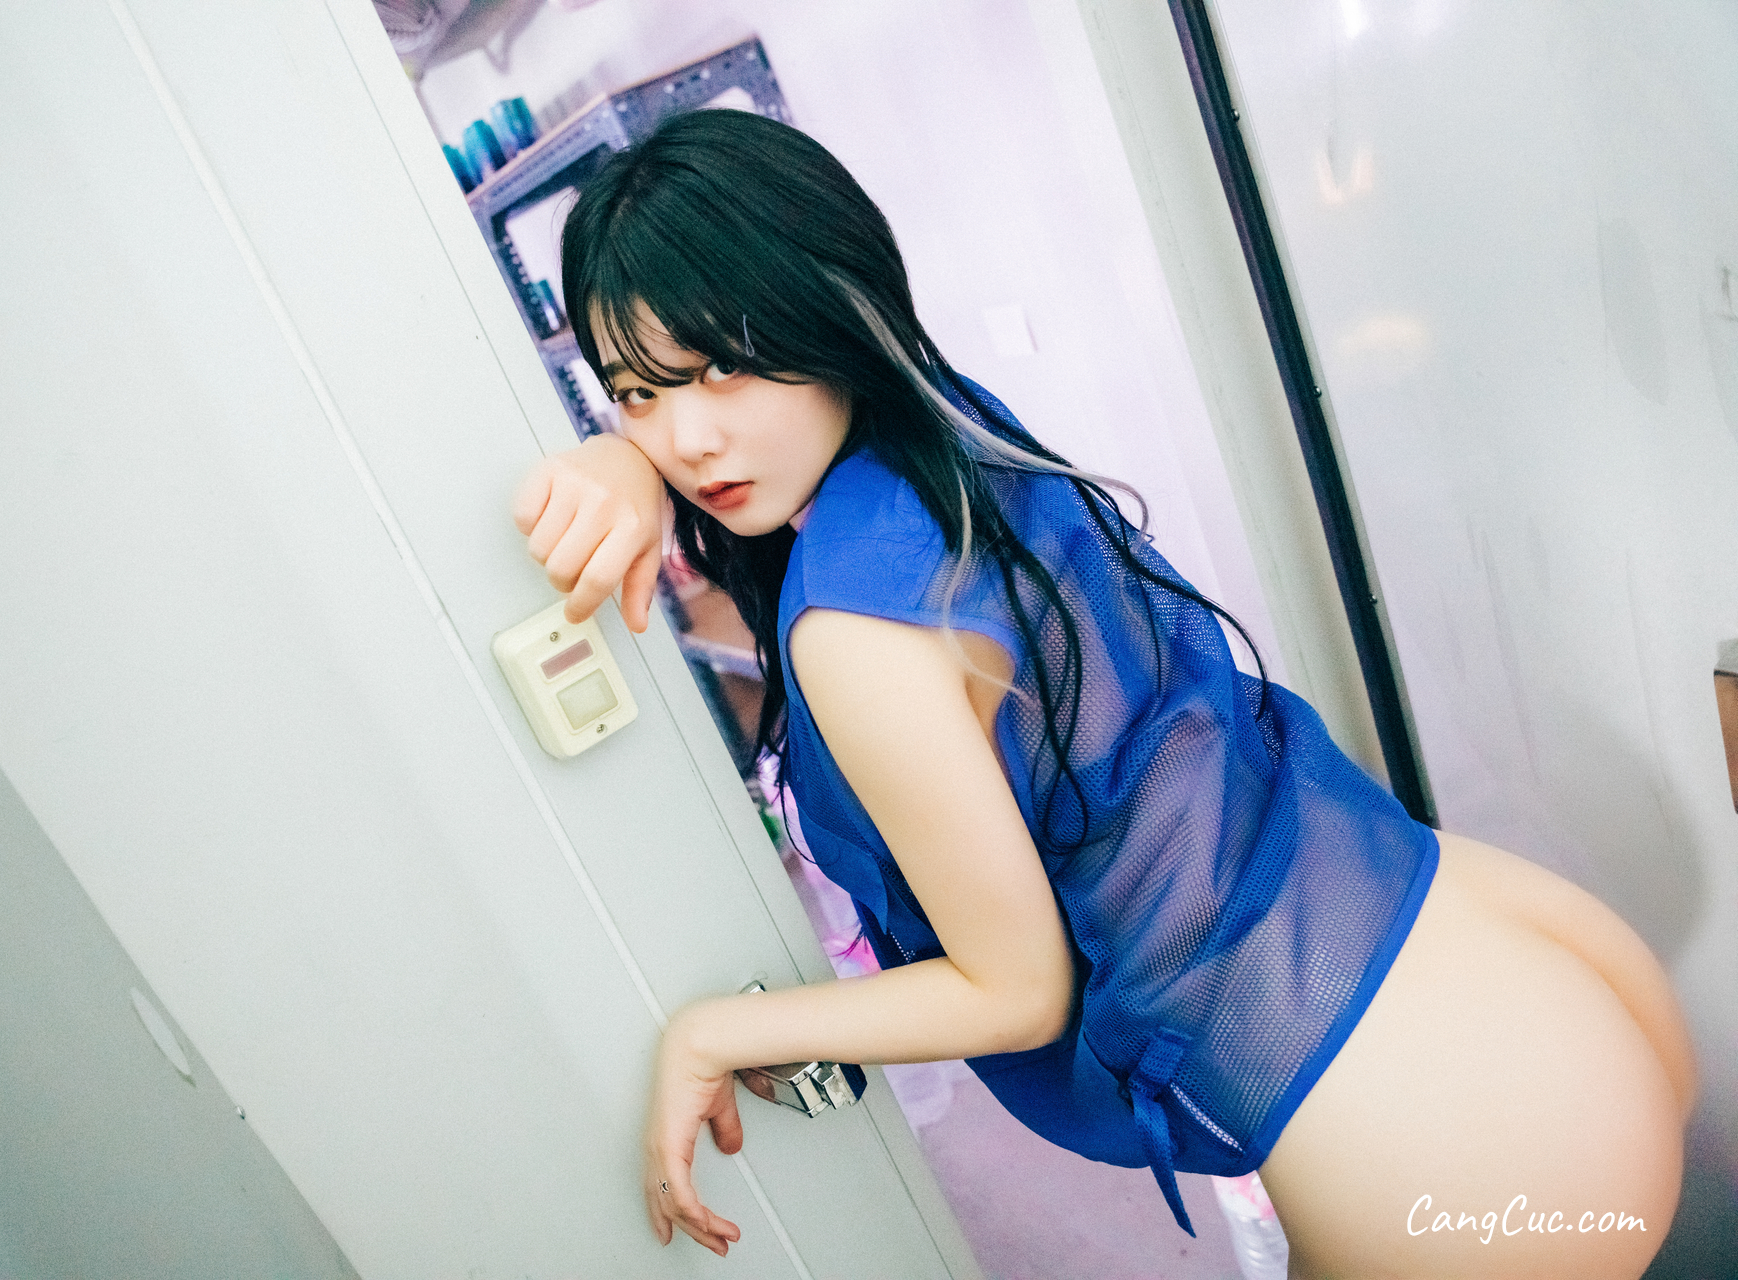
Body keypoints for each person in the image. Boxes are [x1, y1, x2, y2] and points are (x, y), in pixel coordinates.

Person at [511, 109, 1694, 1277]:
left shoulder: (853, 628)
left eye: (723, 363)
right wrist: (619, 458)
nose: (689, 439)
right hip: (1496, 934)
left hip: (1426, 1138)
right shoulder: (957, 428)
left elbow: (1015, 990)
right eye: (636, 391)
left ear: (826, 304)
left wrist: (712, 1029)